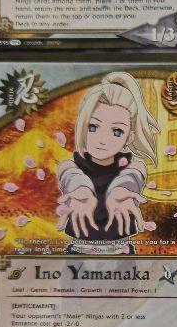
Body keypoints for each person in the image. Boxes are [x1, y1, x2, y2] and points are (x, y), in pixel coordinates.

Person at [56, 72, 159, 254]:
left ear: (130, 137)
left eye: (117, 131)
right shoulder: (71, 165)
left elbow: (134, 174)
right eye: (93, 127)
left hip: (120, 251)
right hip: (79, 250)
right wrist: (81, 188)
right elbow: (68, 172)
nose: (103, 140)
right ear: (81, 126)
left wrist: (121, 190)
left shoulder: (132, 167)